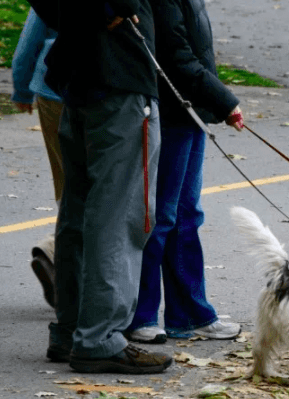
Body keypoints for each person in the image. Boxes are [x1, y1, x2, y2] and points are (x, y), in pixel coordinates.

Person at [28, 0, 172, 373]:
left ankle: (72, 328)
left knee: (79, 212)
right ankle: (99, 337)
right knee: (119, 215)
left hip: (79, 79)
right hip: (118, 80)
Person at [125, 0, 244, 344]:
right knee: (161, 217)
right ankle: (142, 315)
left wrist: (214, 102)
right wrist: (224, 100)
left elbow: (198, 52)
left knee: (187, 214)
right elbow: (177, 58)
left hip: (193, 113)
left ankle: (189, 313)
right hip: (172, 114)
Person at [11, 9, 63, 309]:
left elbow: (29, 41)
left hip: (50, 91)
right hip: (100, 94)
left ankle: (61, 261)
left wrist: (21, 89)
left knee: (66, 182)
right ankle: (55, 250)